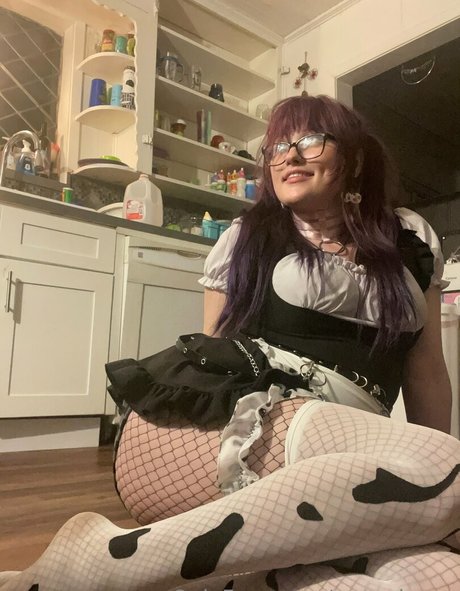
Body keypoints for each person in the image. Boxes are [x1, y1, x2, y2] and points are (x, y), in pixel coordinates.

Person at [1, 95, 459, 591]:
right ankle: (104, 567)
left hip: (349, 450)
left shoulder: (408, 238)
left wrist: (423, 463)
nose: (289, 155)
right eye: (277, 145)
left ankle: (96, 563)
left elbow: (427, 370)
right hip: (252, 427)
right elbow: (216, 355)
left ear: (354, 158)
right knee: (449, 472)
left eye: (309, 140)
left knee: (437, 573)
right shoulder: (247, 236)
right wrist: (431, 468)